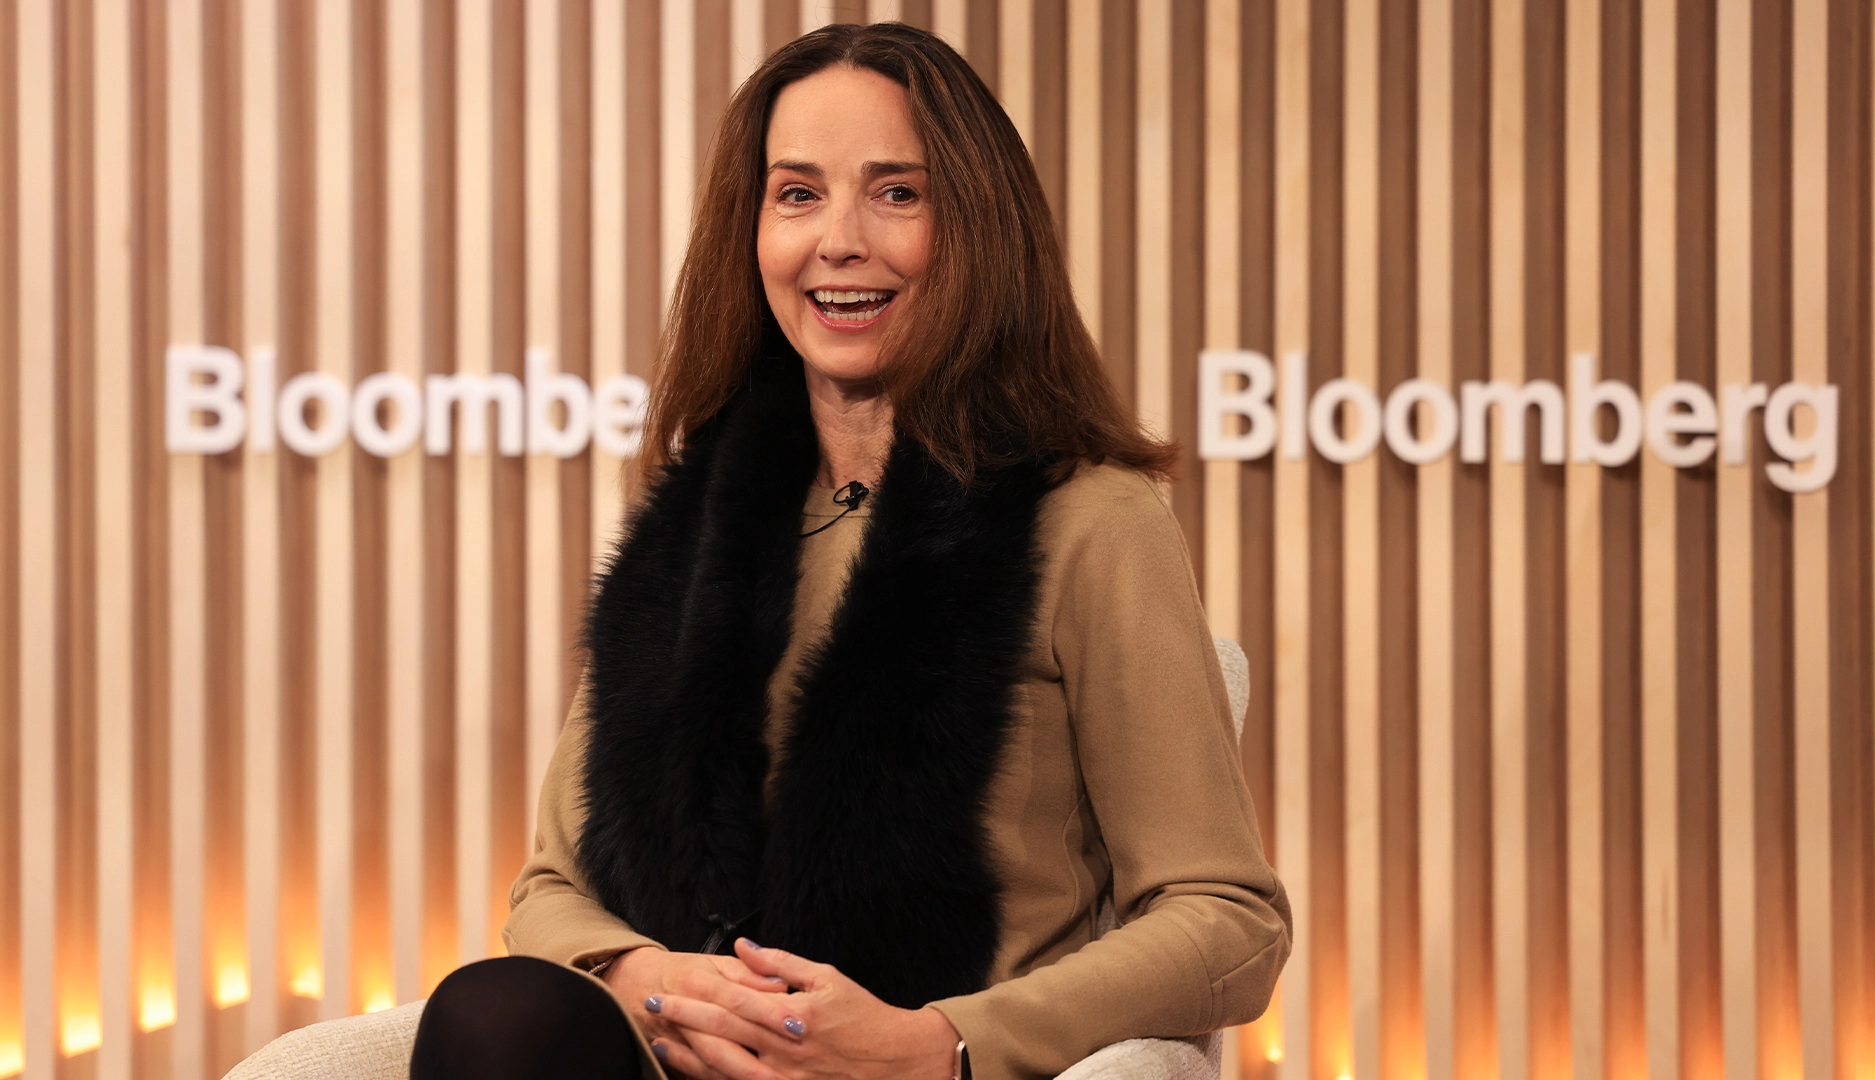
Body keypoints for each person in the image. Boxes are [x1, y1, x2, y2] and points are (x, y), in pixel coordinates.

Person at [410, 21, 1289, 1080]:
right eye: (797, 194)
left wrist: (936, 1042)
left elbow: (1226, 917)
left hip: (913, 1062)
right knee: (497, 1014)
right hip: (686, 1062)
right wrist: (647, 978)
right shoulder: (697, 519)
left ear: (977, 227)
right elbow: (551, 889)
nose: (839, 240)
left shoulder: (1091, 519)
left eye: (897, 193)